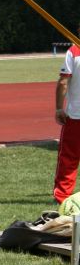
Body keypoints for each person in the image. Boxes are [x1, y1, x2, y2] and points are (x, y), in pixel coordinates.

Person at [53, 35, 80, 204]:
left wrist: (58, 108)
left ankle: (62, 196)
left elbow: (63, 82)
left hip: (76, 116)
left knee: (69, 157)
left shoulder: (74, 51)